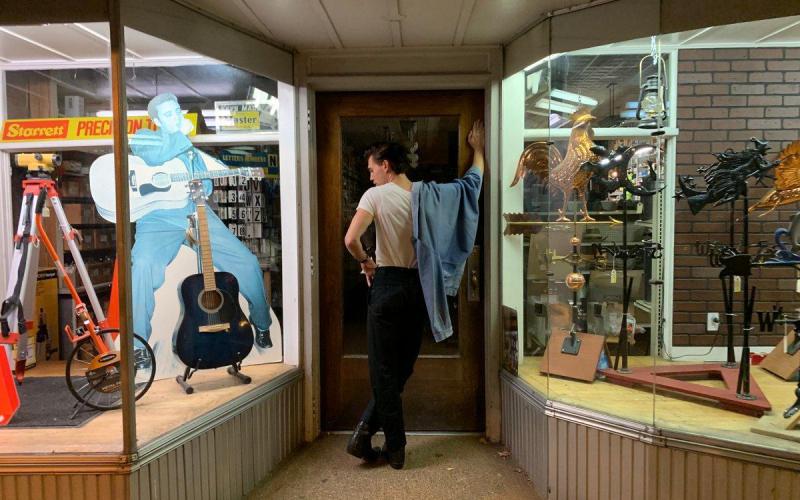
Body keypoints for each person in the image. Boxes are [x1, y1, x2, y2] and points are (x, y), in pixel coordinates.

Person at [343, 121, 485, 469]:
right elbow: (471, 185)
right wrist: (478, 151)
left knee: (383, 369)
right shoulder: (431, 196)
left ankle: (392, 447)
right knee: (403, 367)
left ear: (386, 165)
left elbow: (350, 239)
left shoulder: (375, 196)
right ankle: (366, 434)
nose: (370, 176)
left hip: (387, 283)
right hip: (419, 287)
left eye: (372, 169)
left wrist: (365, 262)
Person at [129, 93, 272, 350]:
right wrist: (180, 136)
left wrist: (205, 183)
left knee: (247, 262)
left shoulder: (192, 153)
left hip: (195, 210)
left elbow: (206, 184)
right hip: (157, 218)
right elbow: (157, 155)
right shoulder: (144, 137)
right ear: (157, 121)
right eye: (169, 114)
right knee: (141, 266)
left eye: (177, 111)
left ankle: (261, 323)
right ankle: (138, 347)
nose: (176, 117)